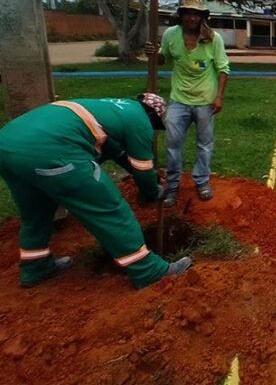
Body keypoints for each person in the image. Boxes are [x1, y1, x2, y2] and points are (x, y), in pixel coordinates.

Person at [0, 94, 192, 289]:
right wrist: (152, 191)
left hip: (8, 146)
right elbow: (142, 168)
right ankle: (148, 271)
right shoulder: (140, 119)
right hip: (50, 151)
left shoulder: (110, 108)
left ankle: (35, 267)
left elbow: (117, 153)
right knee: (108, 209)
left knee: (36, 213)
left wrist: (148, 176)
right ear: (152, 116)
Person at [144, 0, 230, 207]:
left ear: (202, 16)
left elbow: (223, 69)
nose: (191, 17)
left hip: (205, 101)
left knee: (204, 145)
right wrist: (154, 54)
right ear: (180, 16)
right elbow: (164, 59)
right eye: (187, 13)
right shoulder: (171, 35)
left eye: (196, 14)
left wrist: (219, 96)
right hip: (179, 100)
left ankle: (201, 182)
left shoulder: (213, 38)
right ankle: (172, 186)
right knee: (173, 145)